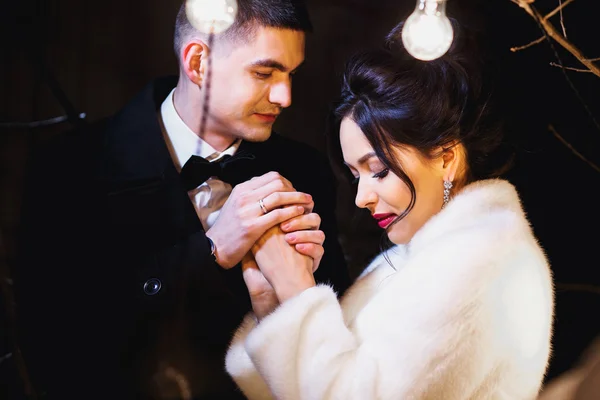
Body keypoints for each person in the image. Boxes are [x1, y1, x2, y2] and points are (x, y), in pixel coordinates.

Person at [12, 1, 350, 398]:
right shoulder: (68, 167)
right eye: (264, 72)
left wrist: (300, 290)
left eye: (291, 74)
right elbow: (52, 346)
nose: (285, 95)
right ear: (197, 63)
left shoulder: (304, 169)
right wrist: (212, 250)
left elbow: (332, 349)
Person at [225, 21, 555, 399]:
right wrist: (273, 307)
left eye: (378, 171)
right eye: (355, 176)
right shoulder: (425, 257)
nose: (361, 197)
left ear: (447, 158)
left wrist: (298, 292)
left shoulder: (483, 260)